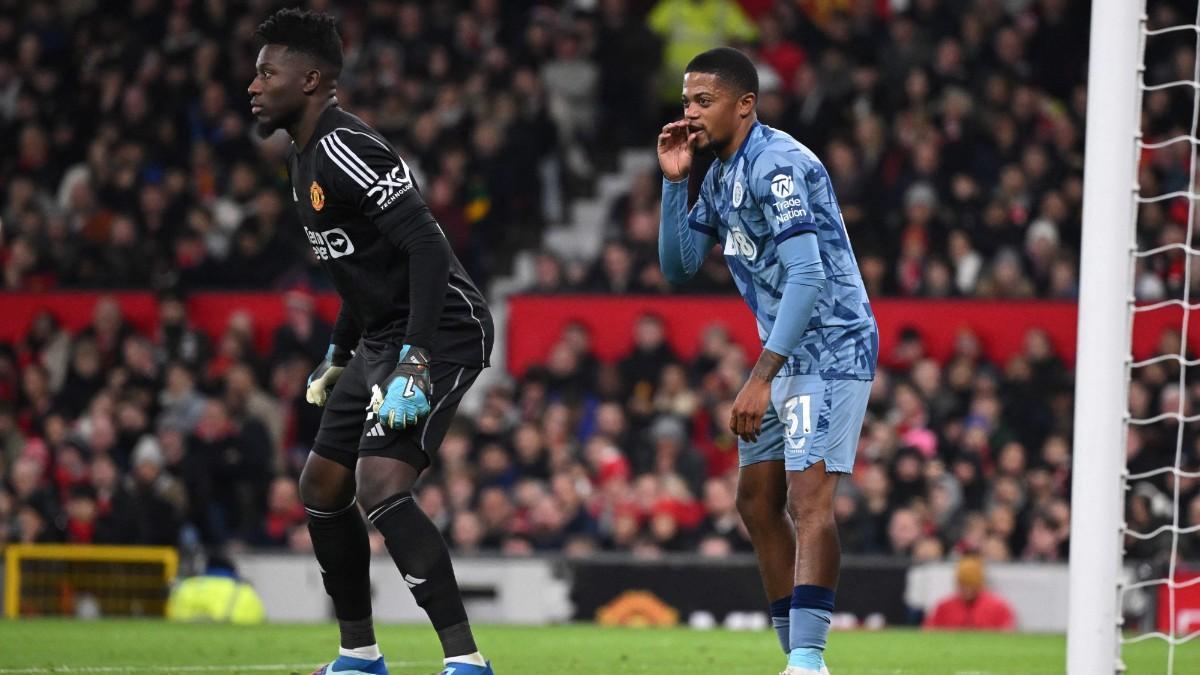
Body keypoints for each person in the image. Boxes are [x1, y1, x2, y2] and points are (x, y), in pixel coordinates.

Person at [247, 9, 495, 675]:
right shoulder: (302, 160)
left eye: (268, 72)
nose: (254, 84)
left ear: (312, 80)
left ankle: (466, 660)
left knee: (380, 481)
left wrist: (415, 356)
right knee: (322, 485)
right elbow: (361, 270)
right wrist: (336, 351)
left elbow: (426, 245)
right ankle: (359, 654)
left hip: (442, 327)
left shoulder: (344, 147)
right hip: (381, 333)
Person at [657, 48, 878, 675]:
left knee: (809, 500)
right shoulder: (723, 173)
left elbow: (808, 277)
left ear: (744, 104)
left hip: (829, 347)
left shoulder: (777, 164)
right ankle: (795, 654)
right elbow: (677, 267)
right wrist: (676, 180)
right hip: (784, 350)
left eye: (704, 102)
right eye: (686, 103)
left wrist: (759, 379)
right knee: (757, 502)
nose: (691, 114)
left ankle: (808, 661)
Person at [923, 556, 1016, 630]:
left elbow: (1008, 633)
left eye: (971, 584)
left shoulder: (998, 607)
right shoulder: (943, 607)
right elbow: (928, 632)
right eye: (963, 584)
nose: (967, 589)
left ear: (980, 584)